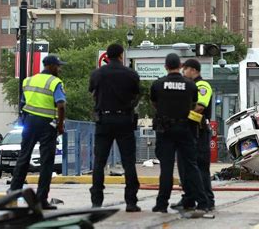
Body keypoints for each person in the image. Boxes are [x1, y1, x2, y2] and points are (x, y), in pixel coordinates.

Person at [150, 53, 209, 215]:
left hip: (165, 131)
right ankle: (203, 203)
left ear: (165, 66)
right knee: (191, 166)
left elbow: (154, 103)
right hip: (185, 130)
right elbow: (194, 104)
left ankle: (161, 204)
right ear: (180, 66)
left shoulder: (157, 84)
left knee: (166, 168)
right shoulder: (190, 85)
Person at [88, 43, 141, 212]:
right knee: (128, 162)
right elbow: (136, 95)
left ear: (107, 56)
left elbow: (92, 93)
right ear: (121, 55)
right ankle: (131, 201)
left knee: (99, 162)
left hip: (104, 120)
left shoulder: (97, 74)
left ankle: (97, 201)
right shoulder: (131, 74)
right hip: (125, 119)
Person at [9, 55, 66, 210]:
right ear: (51, 66)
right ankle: (41, 199)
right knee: (46, 162)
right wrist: (60, 126)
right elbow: (61, 105)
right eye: (58, 66)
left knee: (24, 157)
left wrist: (24, 120)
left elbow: (22, 103)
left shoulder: (28, 81)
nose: (59, 69)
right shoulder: (55, 82)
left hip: (30, 122)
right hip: (47, 124)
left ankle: (13, 192)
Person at [172, 59, 215, 211]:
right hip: (189, 131)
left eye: (185, 70)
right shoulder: (189, 86)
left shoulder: (202, 85)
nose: (183, 73)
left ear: (193, 70)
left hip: (200, 131)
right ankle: (189, 199)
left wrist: (181, 116)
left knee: (200, 167)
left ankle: (207, 200)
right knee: (185, 167)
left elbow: (200, 107)